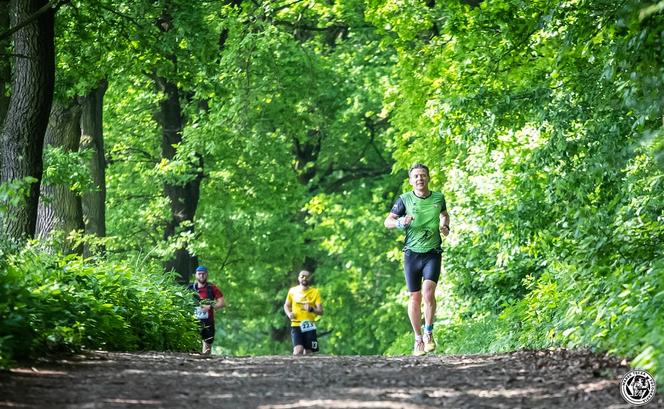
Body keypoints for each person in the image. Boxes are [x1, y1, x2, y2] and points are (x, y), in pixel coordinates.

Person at [384, 163, 450, 356]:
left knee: (429, 292)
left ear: (428, 178)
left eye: (423, 175)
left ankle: (429, 333)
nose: (419, 179)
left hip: (432, 252)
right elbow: (387, 221)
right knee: (415, 297)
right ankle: (418, 339)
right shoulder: (404, 199)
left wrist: (445, 226)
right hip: (412, 254)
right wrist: (399, 222)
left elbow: (444, 215)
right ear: (411, 180)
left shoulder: (438, 198)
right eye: (416, 176)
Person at [283, 270, 323, 355]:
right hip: (296, 324)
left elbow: (320, 311)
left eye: (307, 277)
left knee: (308, 352)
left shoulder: (315, 292)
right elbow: (286, 305)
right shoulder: (292, 291)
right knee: (298, 350)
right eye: (302, 276)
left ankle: (305, 368)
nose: (304, 278)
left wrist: (312, 309)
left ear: (310, 278)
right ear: (298, 278)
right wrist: (289, 314)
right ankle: (294, 367)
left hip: (309, 325)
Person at [187, 266, 225, 355]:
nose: (201, 276)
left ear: (207, 275)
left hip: (208, 321)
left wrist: (211, 306)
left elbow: (222, 303)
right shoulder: (189, 288)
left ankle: (205, 363)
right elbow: (183, 303)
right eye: (199, 274)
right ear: (195, 275)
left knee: (207, 344)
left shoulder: (212, 288)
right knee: (191, 342)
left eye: (203, 274)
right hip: (192, 320)